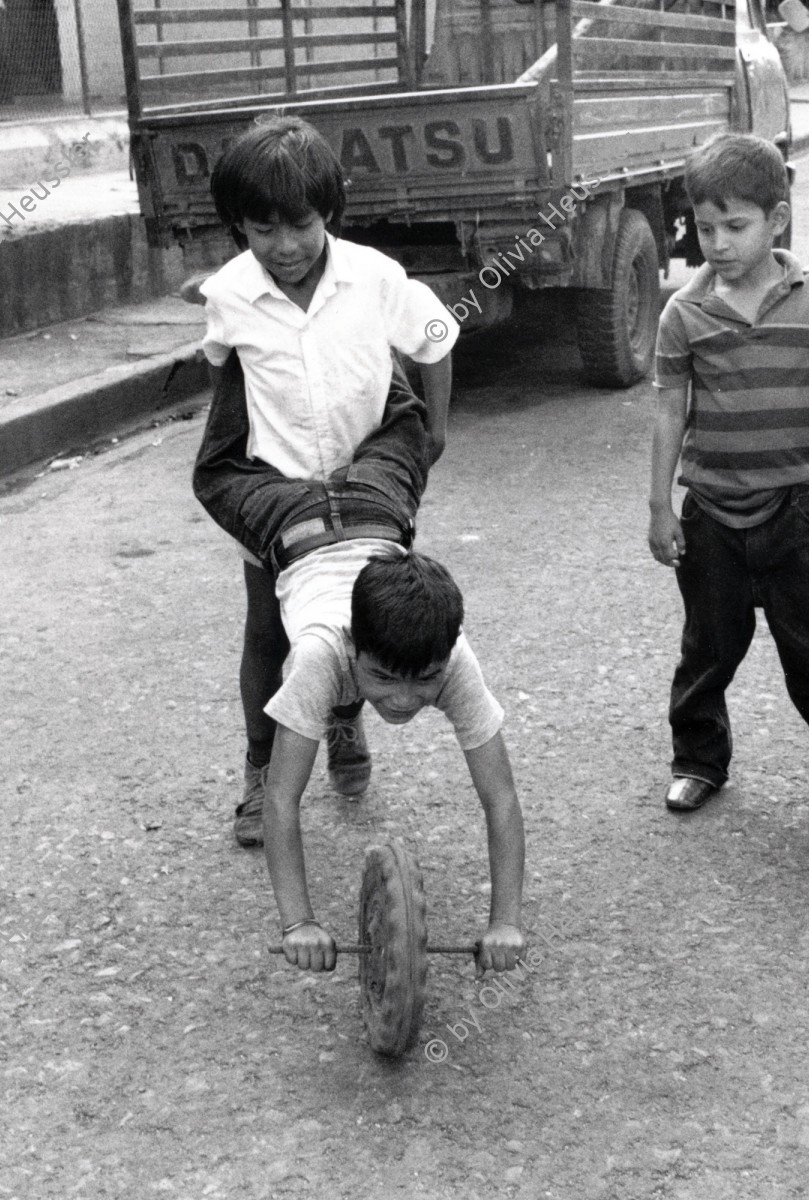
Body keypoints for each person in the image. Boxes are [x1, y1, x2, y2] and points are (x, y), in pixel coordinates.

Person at [193, 352, 527, 975]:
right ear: (354, 650)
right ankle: (238, 346)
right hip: (288, 520)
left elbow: (501, 799)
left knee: (404, 419)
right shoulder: (322, 653)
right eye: (384, 681)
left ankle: (365, 316)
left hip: (378, 507)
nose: (403, 700)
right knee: (217, 470)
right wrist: (298, 921)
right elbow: (282, 800)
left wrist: (506, 919)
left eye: (422, 683)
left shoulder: (451, 656)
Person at [195, 113, 457, 846]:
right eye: (262, 229)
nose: (284, 246)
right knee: (267, 632)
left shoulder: (373, 277)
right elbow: (224, 375)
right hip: (276, 498)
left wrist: (432, 432)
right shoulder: (230, 295)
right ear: (238, 227)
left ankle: (344, 722)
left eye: (301, 225)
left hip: (367, 489)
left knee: (361, 620)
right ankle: (258, 775)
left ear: (330, 213)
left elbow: (436, 338)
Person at [647, 132, 809, 838]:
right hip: (711, 515)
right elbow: (669, 409)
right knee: (706, 650)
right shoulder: (682, 314)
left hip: (802, 509)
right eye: (704, 226)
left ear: (777, 219)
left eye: (736, 225)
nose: (717, 242)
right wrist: (660, 505)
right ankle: (698, 760)